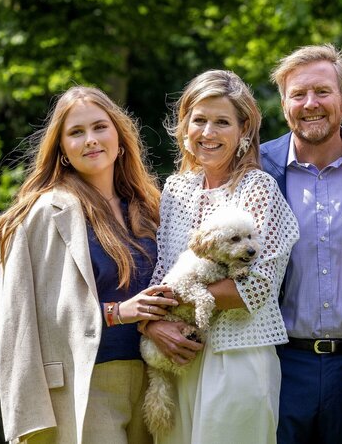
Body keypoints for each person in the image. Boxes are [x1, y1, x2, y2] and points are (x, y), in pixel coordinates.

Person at [0, 86, 179, 444]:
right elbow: (11, 318)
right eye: (76, 132)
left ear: (120, 138)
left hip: (158, 379)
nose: (90, 140)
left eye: (99, 127)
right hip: (86, 383)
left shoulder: (152, 208)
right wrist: (117, 312)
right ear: (62, 150)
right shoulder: (41, 214)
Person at [142, 69, 299, 443]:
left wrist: (173, 303)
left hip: (237, 358)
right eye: (199, 120)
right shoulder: (177, 189)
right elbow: (162, 271)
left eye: (222, 122)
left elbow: (256, 288)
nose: (208, 133)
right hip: (178, 355)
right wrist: (152, 326)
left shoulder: (258, 188)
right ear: (184, 126)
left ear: (243, 130)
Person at [260, 44, 342, 444]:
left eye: (322, 92)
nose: (310, 103)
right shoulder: (255, 169)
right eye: (298, 94)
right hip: (277, 363)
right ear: (284, 105)